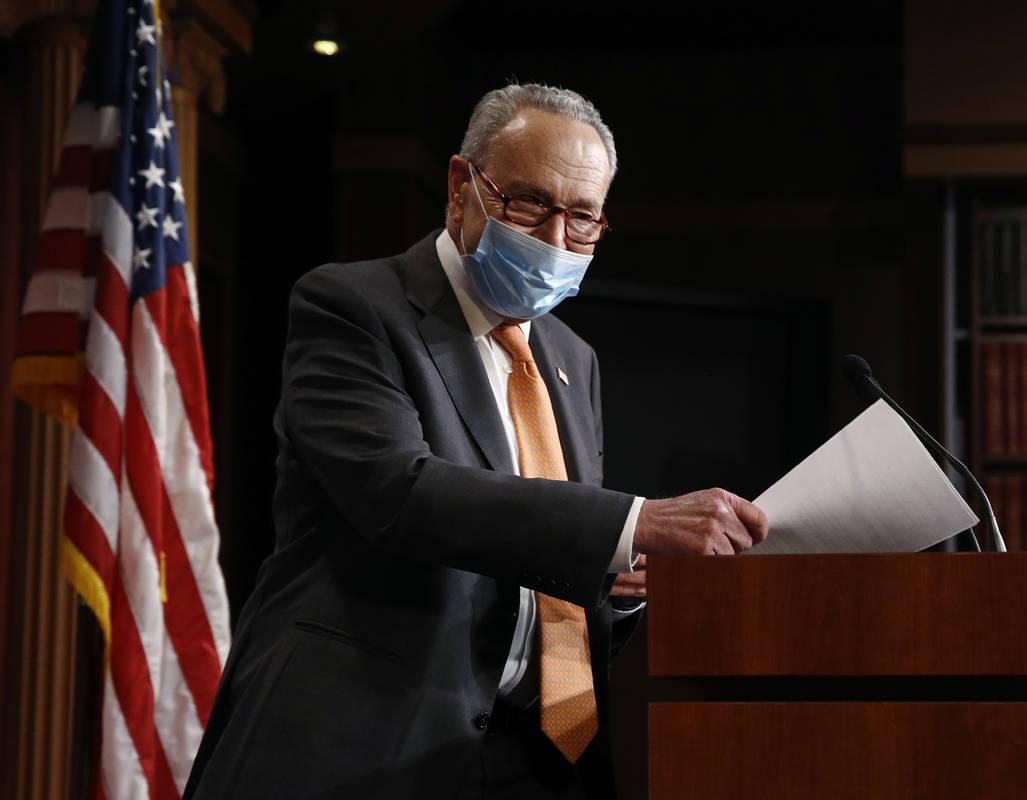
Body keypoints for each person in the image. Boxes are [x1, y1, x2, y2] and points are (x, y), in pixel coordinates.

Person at [182, 83, 768, 800]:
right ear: (462, 187)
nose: (554, 241)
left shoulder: (571, 359)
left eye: (582, 219)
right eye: (528, 203)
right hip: (357, 751)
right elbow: (399, 492)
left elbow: (546, 560)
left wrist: (621, 580)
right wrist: (631, 520)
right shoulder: (354, 306)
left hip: (533, 760)